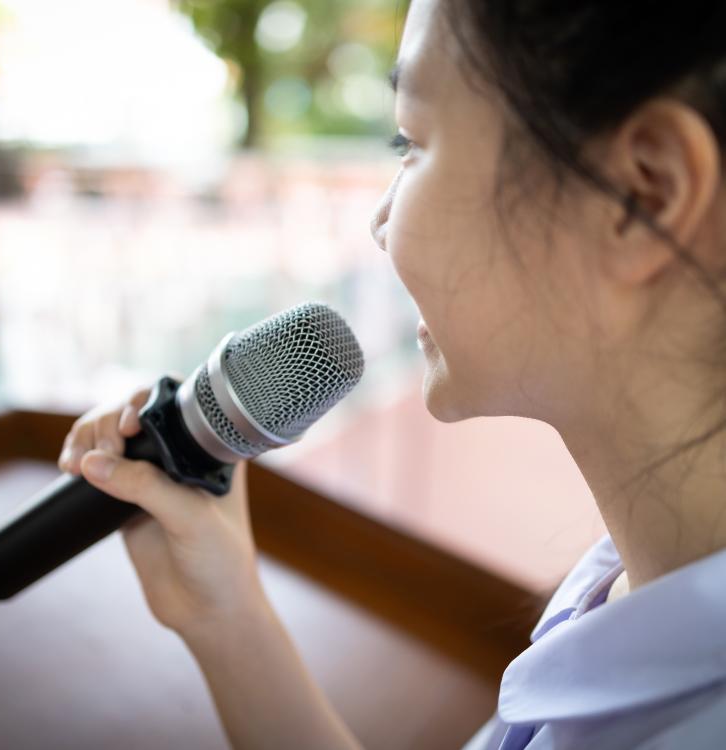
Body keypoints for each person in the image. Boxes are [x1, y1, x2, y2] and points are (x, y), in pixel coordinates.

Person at [57, 0, 726, 747]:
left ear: (644, 195)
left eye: (408, 140)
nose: (380, 219)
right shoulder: (635, 574)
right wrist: (228, 616)